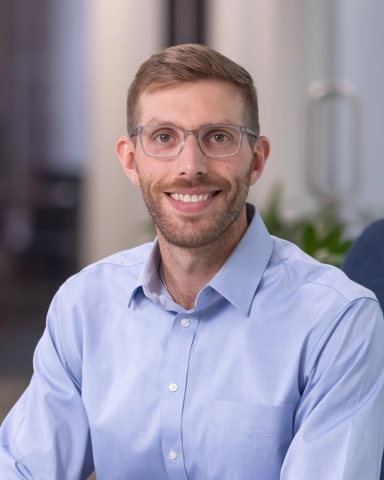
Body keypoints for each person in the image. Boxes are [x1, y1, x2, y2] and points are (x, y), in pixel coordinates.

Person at [1, 44, 383, 480]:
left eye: (217, 137)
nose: (190, 166)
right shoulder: (84, 305)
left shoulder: (335, 318)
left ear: (256, 160)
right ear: (131, 160)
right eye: (164, 137)